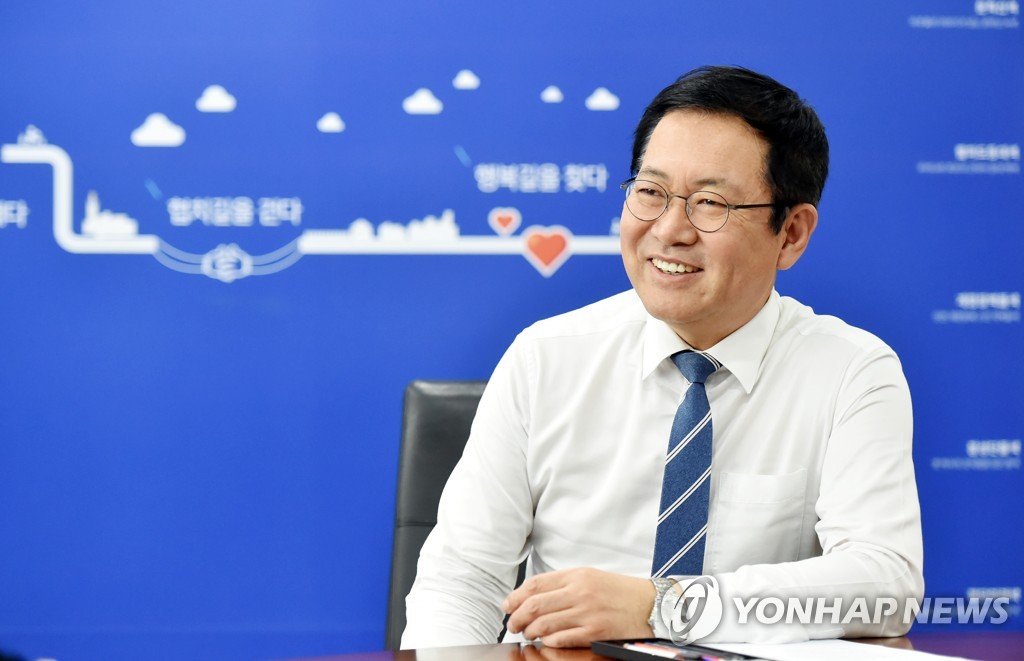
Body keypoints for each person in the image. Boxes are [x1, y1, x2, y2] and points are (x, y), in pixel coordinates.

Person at [401, 65, 923, 649]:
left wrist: (663, 607)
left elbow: (885, 585)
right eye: (651, 193)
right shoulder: (545, 358)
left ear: (792, 233)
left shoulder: (851, 372)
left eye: (710, 203)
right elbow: (461, 581)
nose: (670, 230)